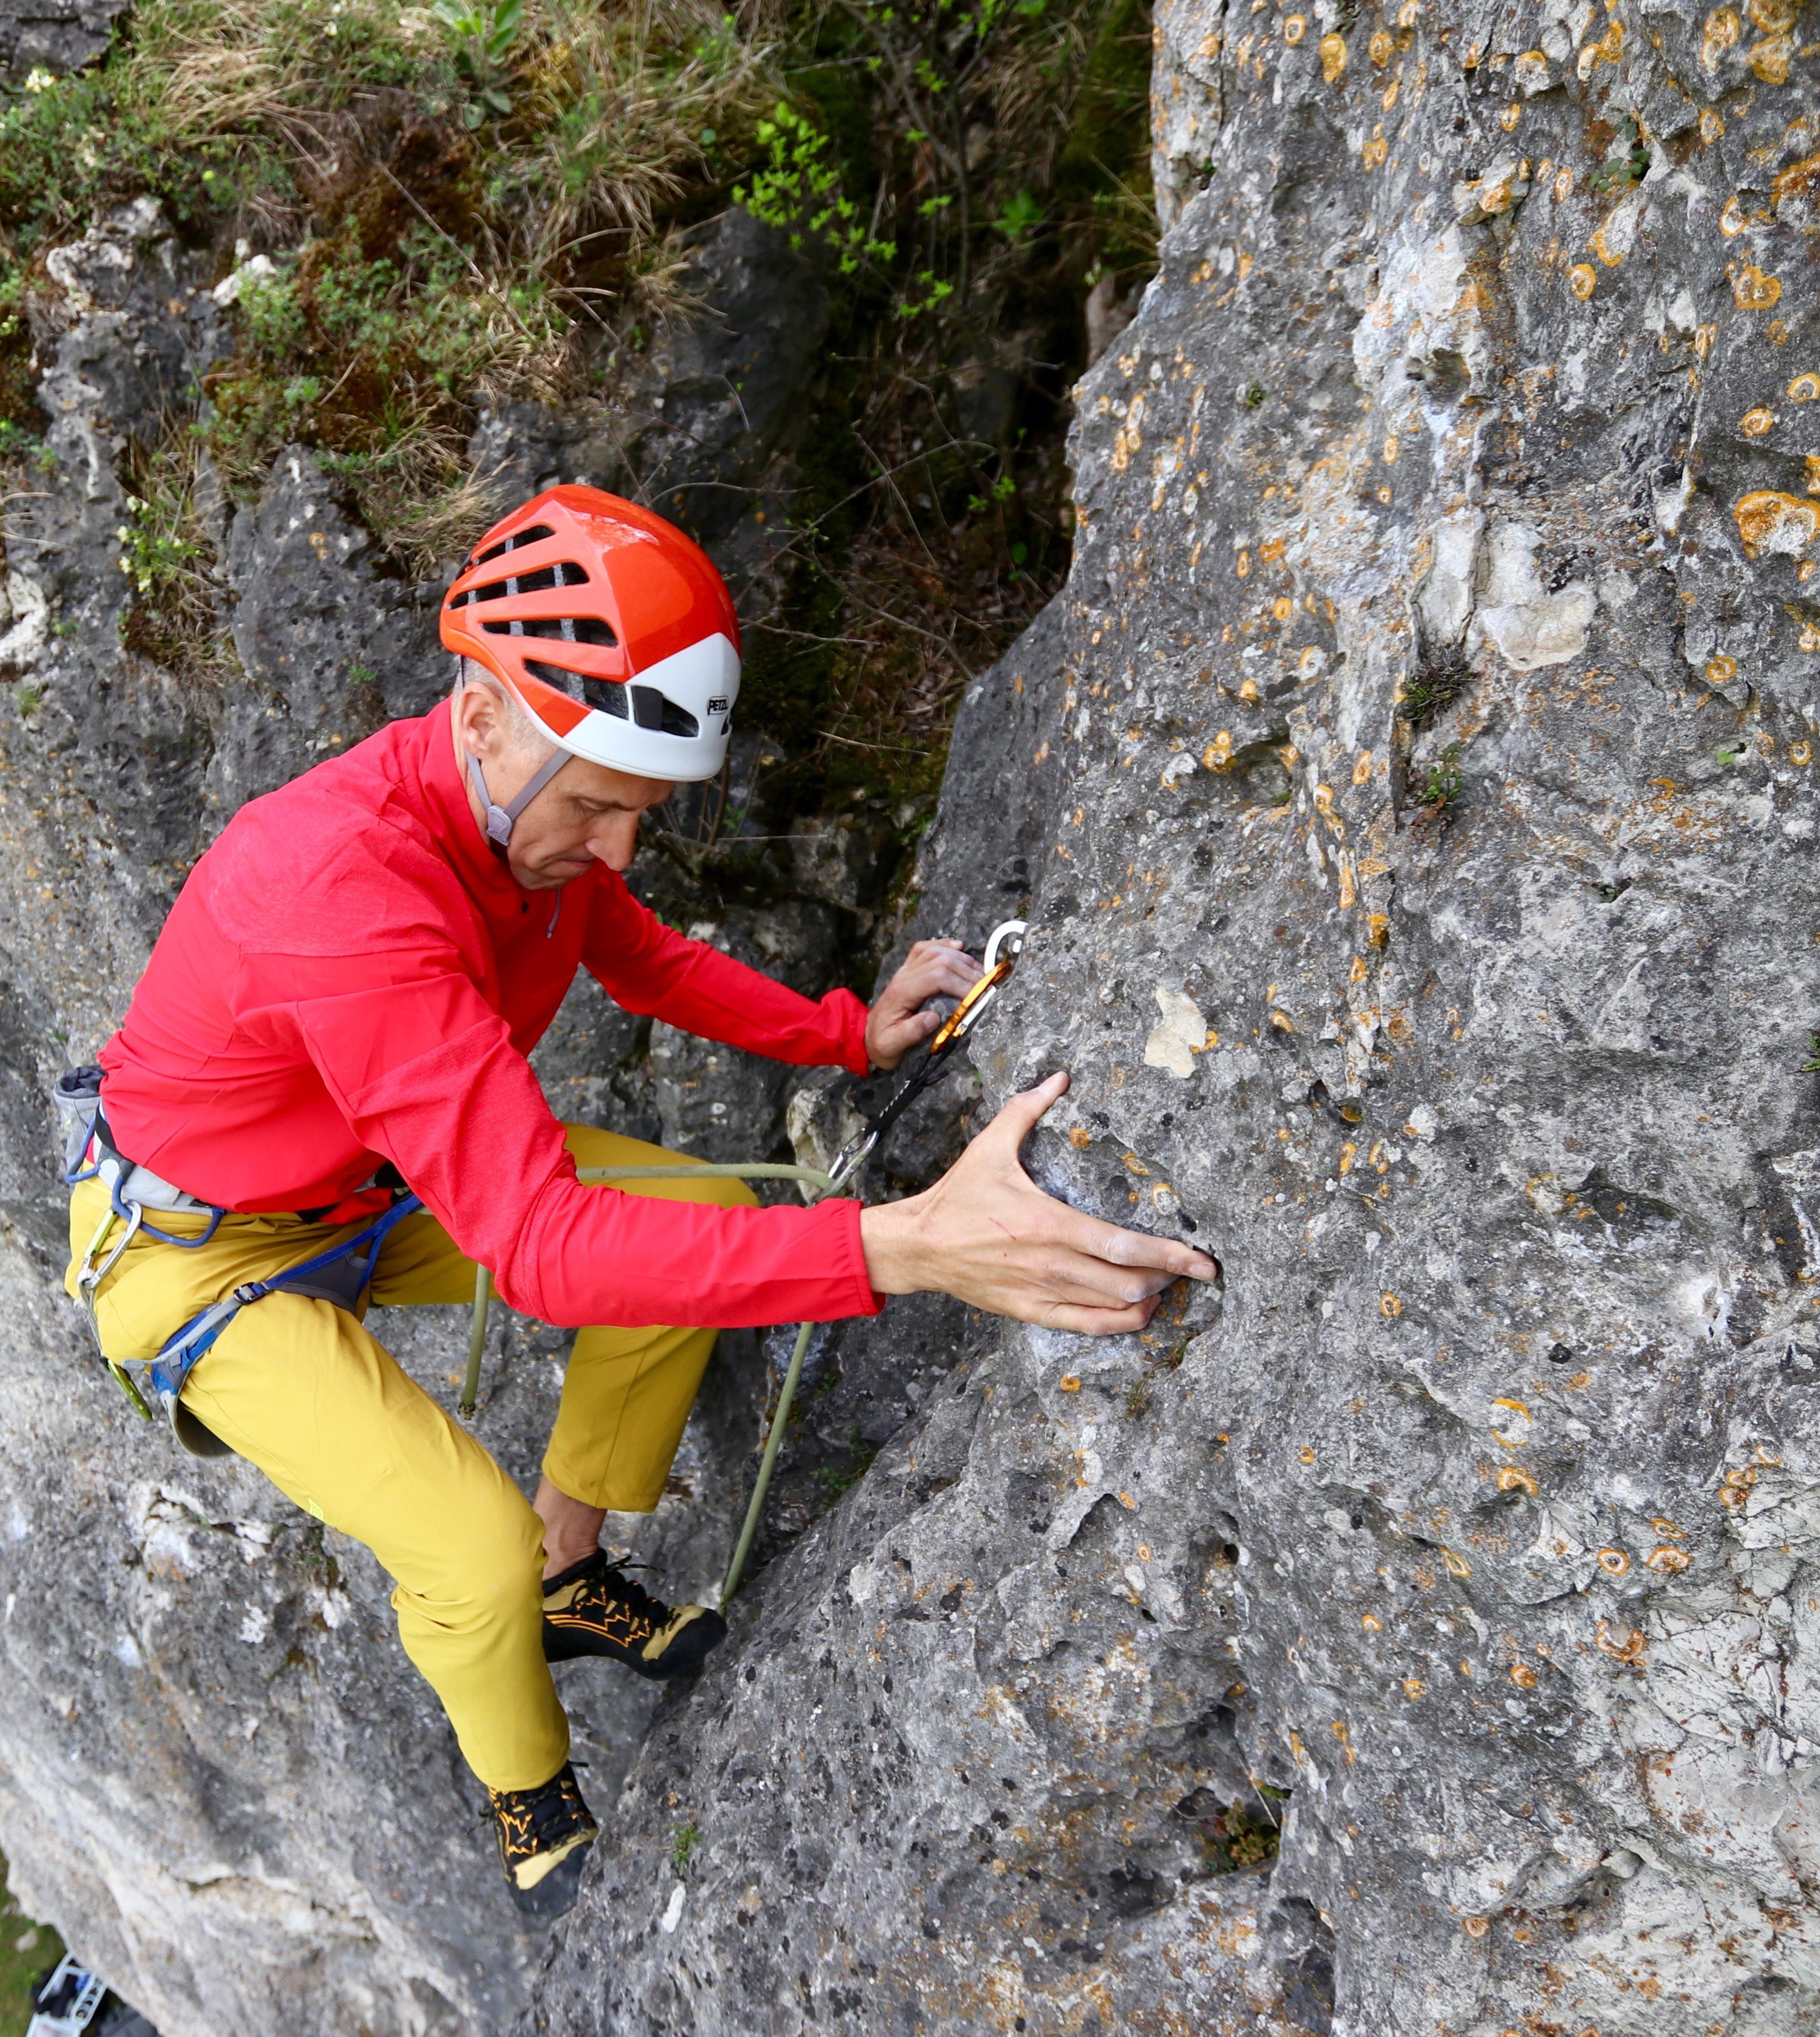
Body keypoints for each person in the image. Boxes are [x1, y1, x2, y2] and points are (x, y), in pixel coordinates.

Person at [67, 484, 1214, 1915]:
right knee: (458, 1538)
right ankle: (523, 1784)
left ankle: (570, 1566)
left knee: (679, 1217)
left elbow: (642, 955)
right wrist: (907, 1243)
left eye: (640, 808)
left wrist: (844, 1033)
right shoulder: (340, 894)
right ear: (476, 713)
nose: (615, 845)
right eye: (596, 799)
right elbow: (540, 1244)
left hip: (356, 1178)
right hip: (193, 1253)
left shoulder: (518, 825)